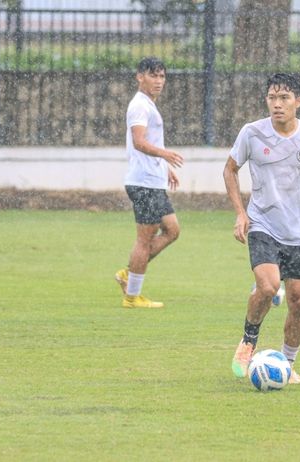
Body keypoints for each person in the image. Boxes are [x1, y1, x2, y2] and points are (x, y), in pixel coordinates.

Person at [223, 73, 300, 384]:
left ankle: (287, 365)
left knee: (299, 301)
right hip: (262, 222)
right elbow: (230, 168)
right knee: (267, 285)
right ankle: (249, 340)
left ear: (298, 102)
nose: (277, 105)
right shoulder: (252, 133)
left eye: (284, 99)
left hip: (299, 231)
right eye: (272, 98)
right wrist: (240, 213)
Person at [114, 57, 183, 308]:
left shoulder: (149, 105)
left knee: (172, 230)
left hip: (153, 181)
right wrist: (165, 155)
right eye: (153, 76)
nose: (159, 81)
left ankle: (128, 273)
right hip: (143, 183)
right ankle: (132, 296)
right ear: (139, 77)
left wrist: (164, 168)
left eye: (162, 76)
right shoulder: (139, 106)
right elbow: (139, 141)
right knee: (144, 239)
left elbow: (151, 141)